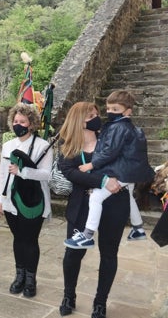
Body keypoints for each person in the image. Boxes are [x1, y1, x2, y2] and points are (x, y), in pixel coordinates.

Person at [57, 101, 126, 318]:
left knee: (108, 254)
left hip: (114, 205)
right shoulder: (68, 146)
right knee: (73, 253)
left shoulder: (111, 140)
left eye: (96, 114)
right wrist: (104, 181)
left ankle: (100, 302)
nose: (96, 118)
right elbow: (70, 172)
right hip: (81, 206)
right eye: (90, 116)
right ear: (78, 121)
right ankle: (69, 295)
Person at [63, 91, 154, 249]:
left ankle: (87, 235)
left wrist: (91, 166)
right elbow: (68, 171)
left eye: (115, 109)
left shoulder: (117, 128)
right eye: (108, 109)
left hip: (123, 172)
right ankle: (138, 228)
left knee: (96, 198)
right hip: (131, 171)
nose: (109, 113)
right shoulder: (129, 127)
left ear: (128, 111)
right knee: (131, 197)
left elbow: (110, 152)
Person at [0, 103, 53, 298]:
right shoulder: (8, 145)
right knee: (18, 239)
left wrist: (23, 172)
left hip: (33, 202)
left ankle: (30, 279)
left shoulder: (42, 146)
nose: (17, 124)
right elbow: (2, 174)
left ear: (31, 123)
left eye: (22, 121)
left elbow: (46, 175)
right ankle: (19, 276)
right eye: (15, 121)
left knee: (30, 240)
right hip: (11, 200)